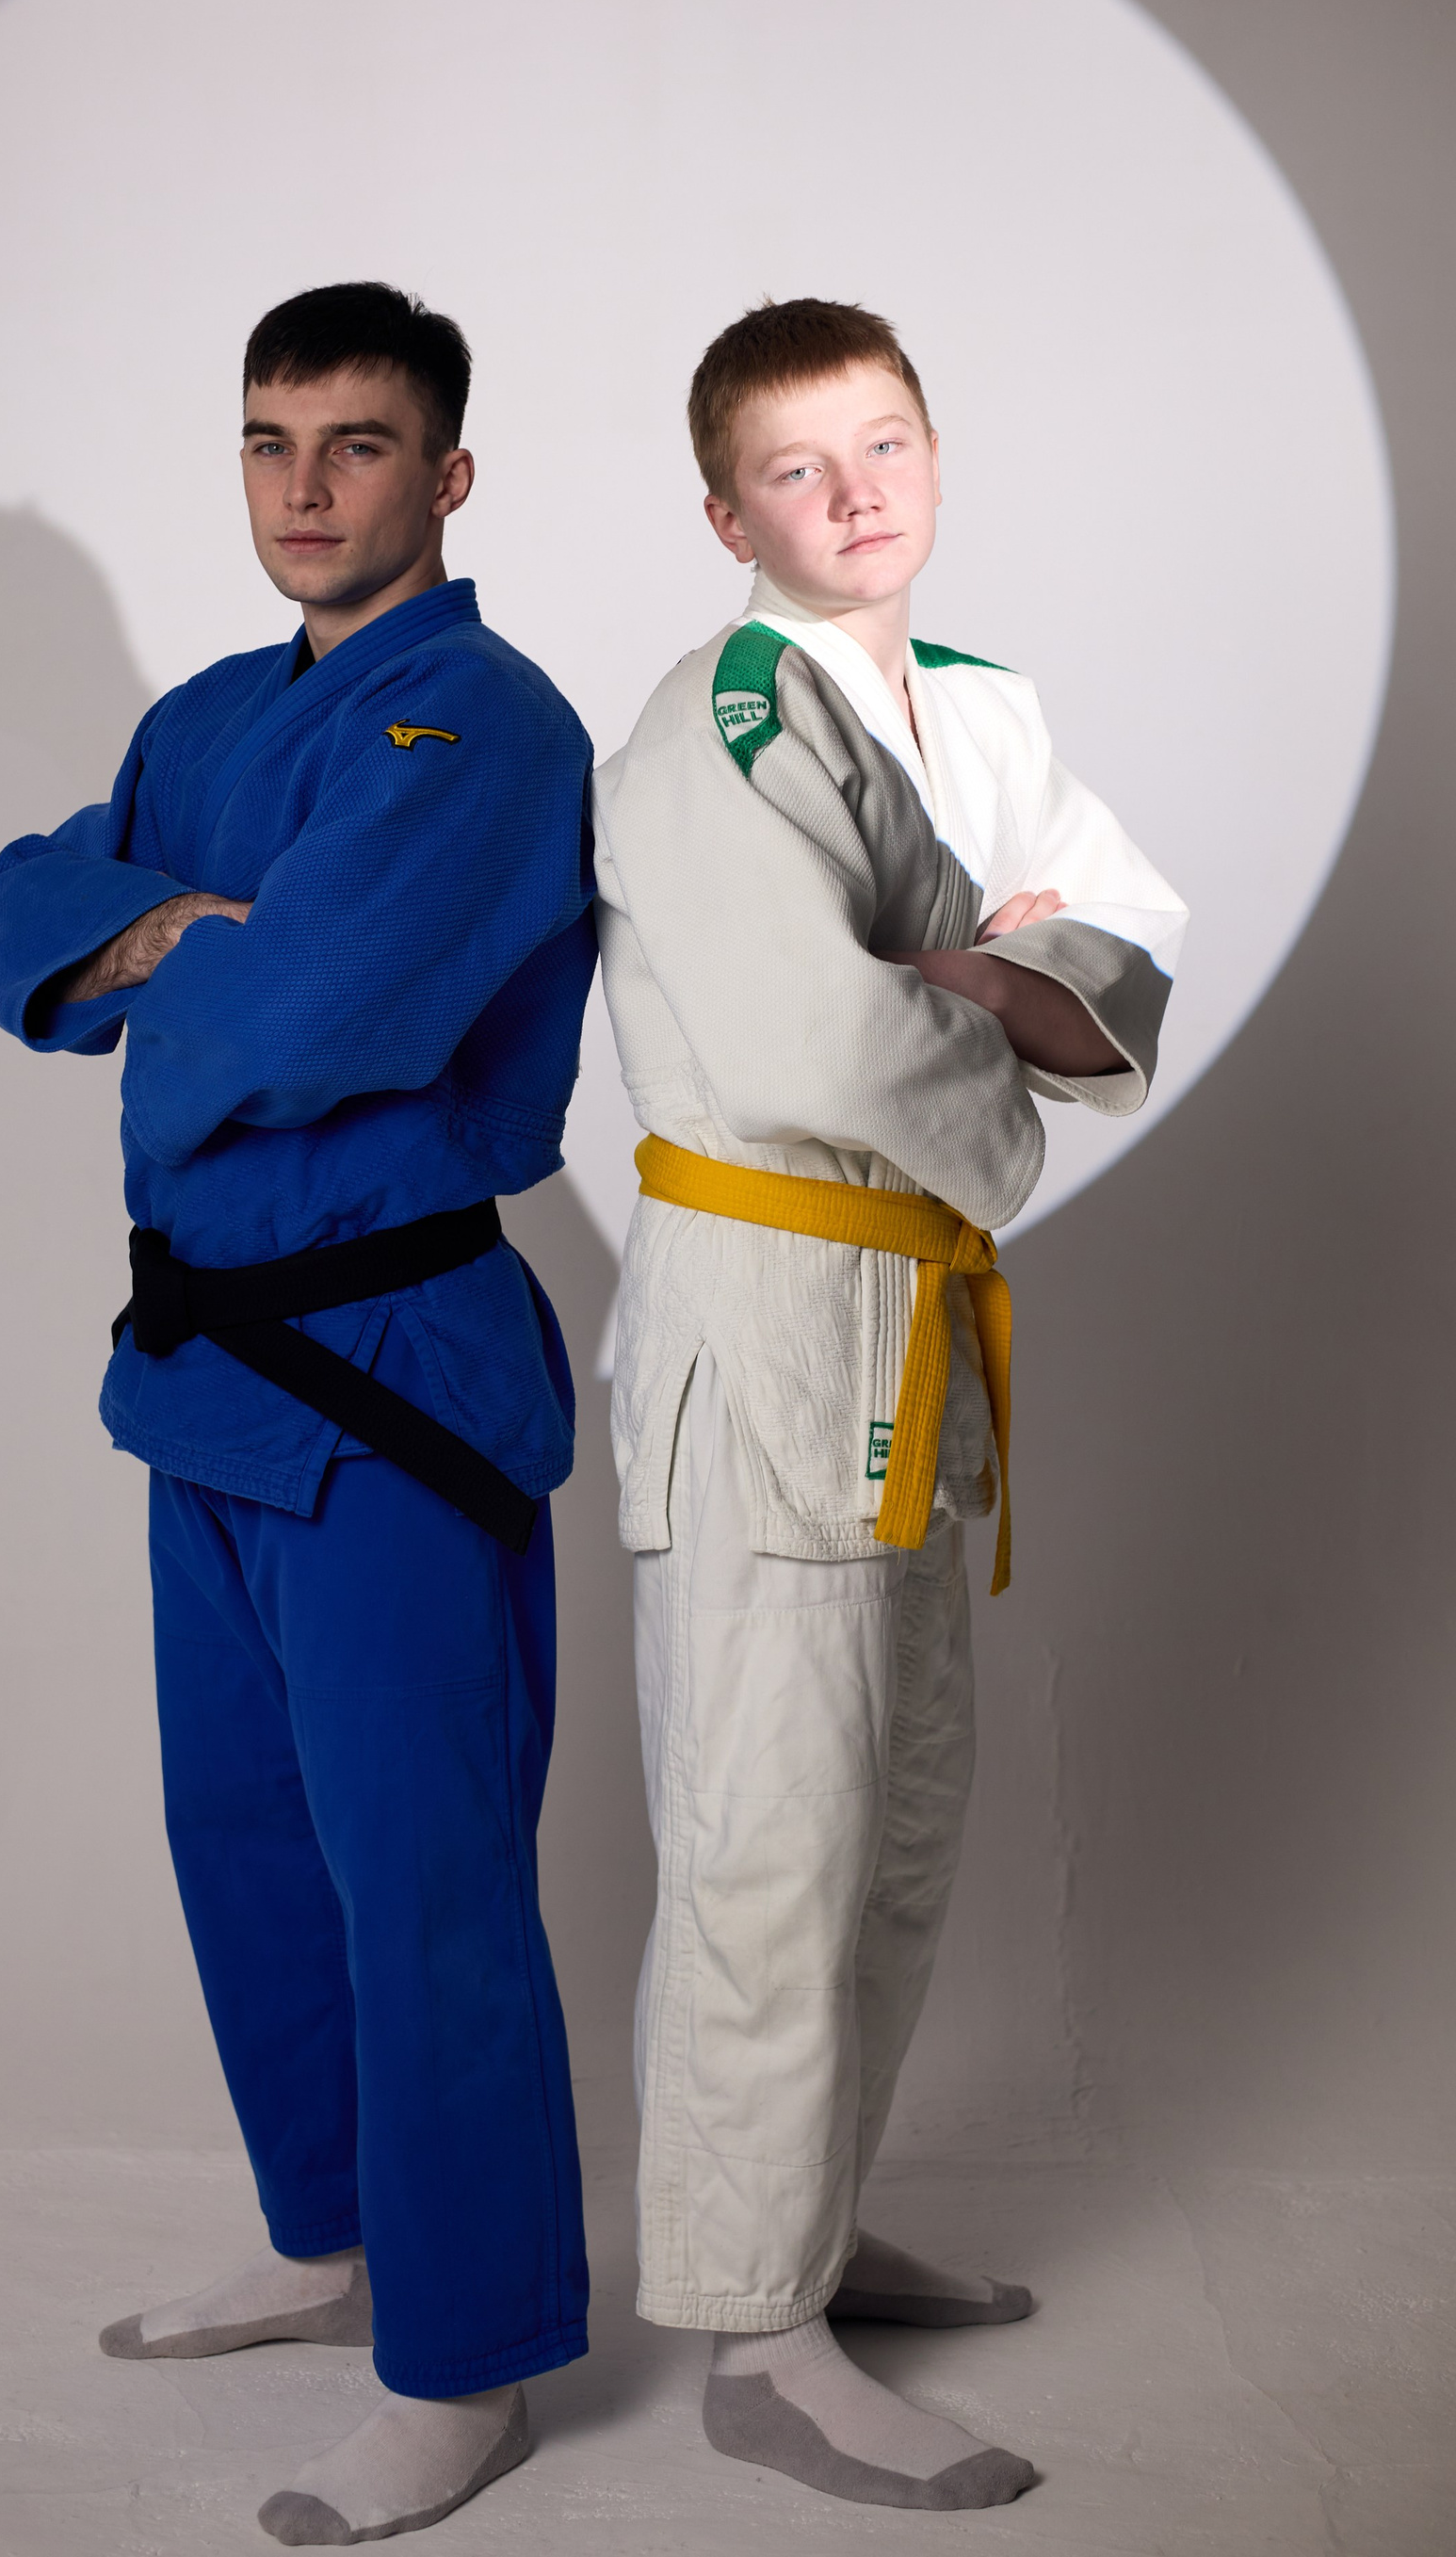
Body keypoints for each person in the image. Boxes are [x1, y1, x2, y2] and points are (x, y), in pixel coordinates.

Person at [0, 283, 594, 2546]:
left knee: (425, 1880)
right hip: (204, 1382)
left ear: (450, 473)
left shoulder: (485, 723)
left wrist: (169, 953)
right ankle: (326, 2235)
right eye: (270, 440)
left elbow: (320, 1008)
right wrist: (168, 927)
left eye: (358, 442)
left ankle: (466, 2357)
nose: (306, 486)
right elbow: (16, 913)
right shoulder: (207, 714)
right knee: (241, 1839)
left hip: (391, 1373)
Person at [590, 297, 1187, 2512]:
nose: (853, 495)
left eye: (886, 446)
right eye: (795, 467)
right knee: (771, 1837)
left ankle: (810, 2231)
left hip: (904, 1310)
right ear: (725, 512)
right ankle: (756, 2334)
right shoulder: (720, 721)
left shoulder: (977, 703)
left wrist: (995, 969)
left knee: (900, 1817)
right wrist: (991, 1002)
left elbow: (1122, 953)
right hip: (771, 1312)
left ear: (936, 453)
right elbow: (816, 1043)